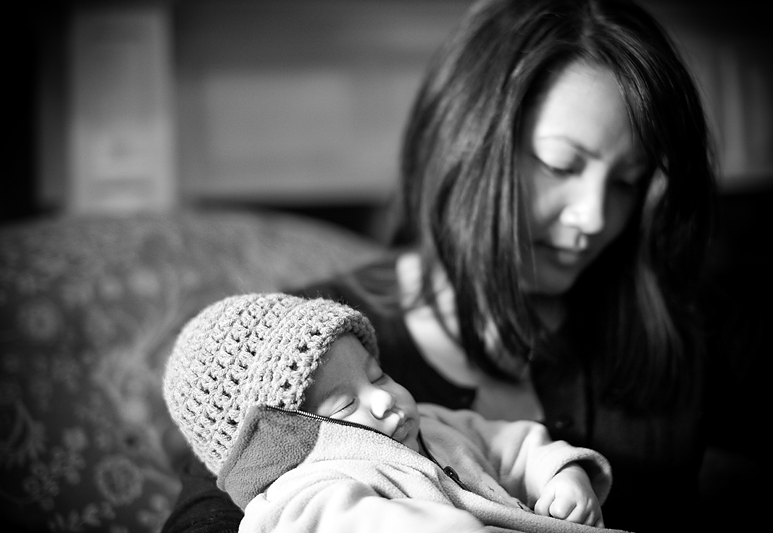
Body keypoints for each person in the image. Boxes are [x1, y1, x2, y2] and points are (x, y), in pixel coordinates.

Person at [162, 0, 761, 531]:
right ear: (465, 144)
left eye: (628, 181)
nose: (594, 216)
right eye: (561, 165)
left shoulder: (685, 318)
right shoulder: (294, 352)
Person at [163, 293, 621, 532]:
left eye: (378, 376)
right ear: (282, 440)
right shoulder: (309, 493)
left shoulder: (436, 425)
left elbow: (512, 445)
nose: (384, 400)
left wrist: (561, 475)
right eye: (345, 403)